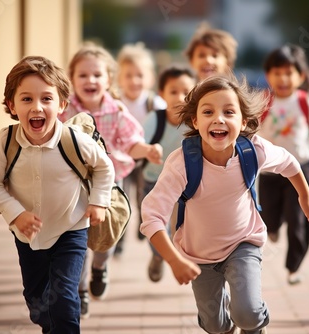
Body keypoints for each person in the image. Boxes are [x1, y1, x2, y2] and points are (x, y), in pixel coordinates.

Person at [140, 75, 309, 334]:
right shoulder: (182, 163)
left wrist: (304, 194)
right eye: (208, 111)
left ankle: (253, 325)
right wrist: (173, 260)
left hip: (243, 243)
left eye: (229, 112)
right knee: (215, 324)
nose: (219, 118)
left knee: (247, 312)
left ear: (243, 121)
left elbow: (289, 162)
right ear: (195, 120)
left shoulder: (253, 151)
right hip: (197, 254)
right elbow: (152, 216)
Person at [0, 55, 115, 333]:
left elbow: (104, 167)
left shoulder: (74, 139)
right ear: (12, 106)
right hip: (27, 236)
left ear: (62, 104)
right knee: (38, 304)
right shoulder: (6, 142)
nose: (37, 107)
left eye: (46, 99)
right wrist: (15, 213)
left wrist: (98, 202)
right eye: (26, 99)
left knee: (65, 300)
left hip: (71, 229)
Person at [59, 43, 162, 319]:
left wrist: (147, 151)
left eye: (97, 75)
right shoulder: (63, 108)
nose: (90, 80)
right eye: (82, 75)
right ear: (72, 78)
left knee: (106, 237)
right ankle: (80, 291)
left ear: (108, 79)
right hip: (73, 186)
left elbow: (131, 142)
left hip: (108, 184)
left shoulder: (116, 111)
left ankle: (100, 267)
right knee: (76, 238)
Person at [258, 44, 309, 285]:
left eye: (289, 72)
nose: (283, 78)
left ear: (301, 76)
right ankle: (273, 228)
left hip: (302, 168)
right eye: (277, 72)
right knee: (269, 217)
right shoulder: (263, 101)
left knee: (298, 219)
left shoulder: (306, 103)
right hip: (269, 170)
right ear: (268, 75)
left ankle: (294, 267)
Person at [141, 65, 196, 282]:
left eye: (186, 91)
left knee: (177, 229)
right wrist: (148, 153)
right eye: (173, 91)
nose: (180, 97)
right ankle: (158, 255)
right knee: (152, 223)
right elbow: (140, 144)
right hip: (152, 180)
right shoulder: (154, 119)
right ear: (161, 94)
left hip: (182, 185)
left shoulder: (196, 121)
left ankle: (177, 258)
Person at [116, 42, 167, 245]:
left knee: (142, 196)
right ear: (120, 78)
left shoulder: (154, 103)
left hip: (145, 157)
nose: (134, 80)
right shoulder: (116, 101)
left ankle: (142, 224)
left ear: (150, 78)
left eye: (139, 75)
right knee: (121, 197)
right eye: (128, 75)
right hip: (121, 157)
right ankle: (118, 239)